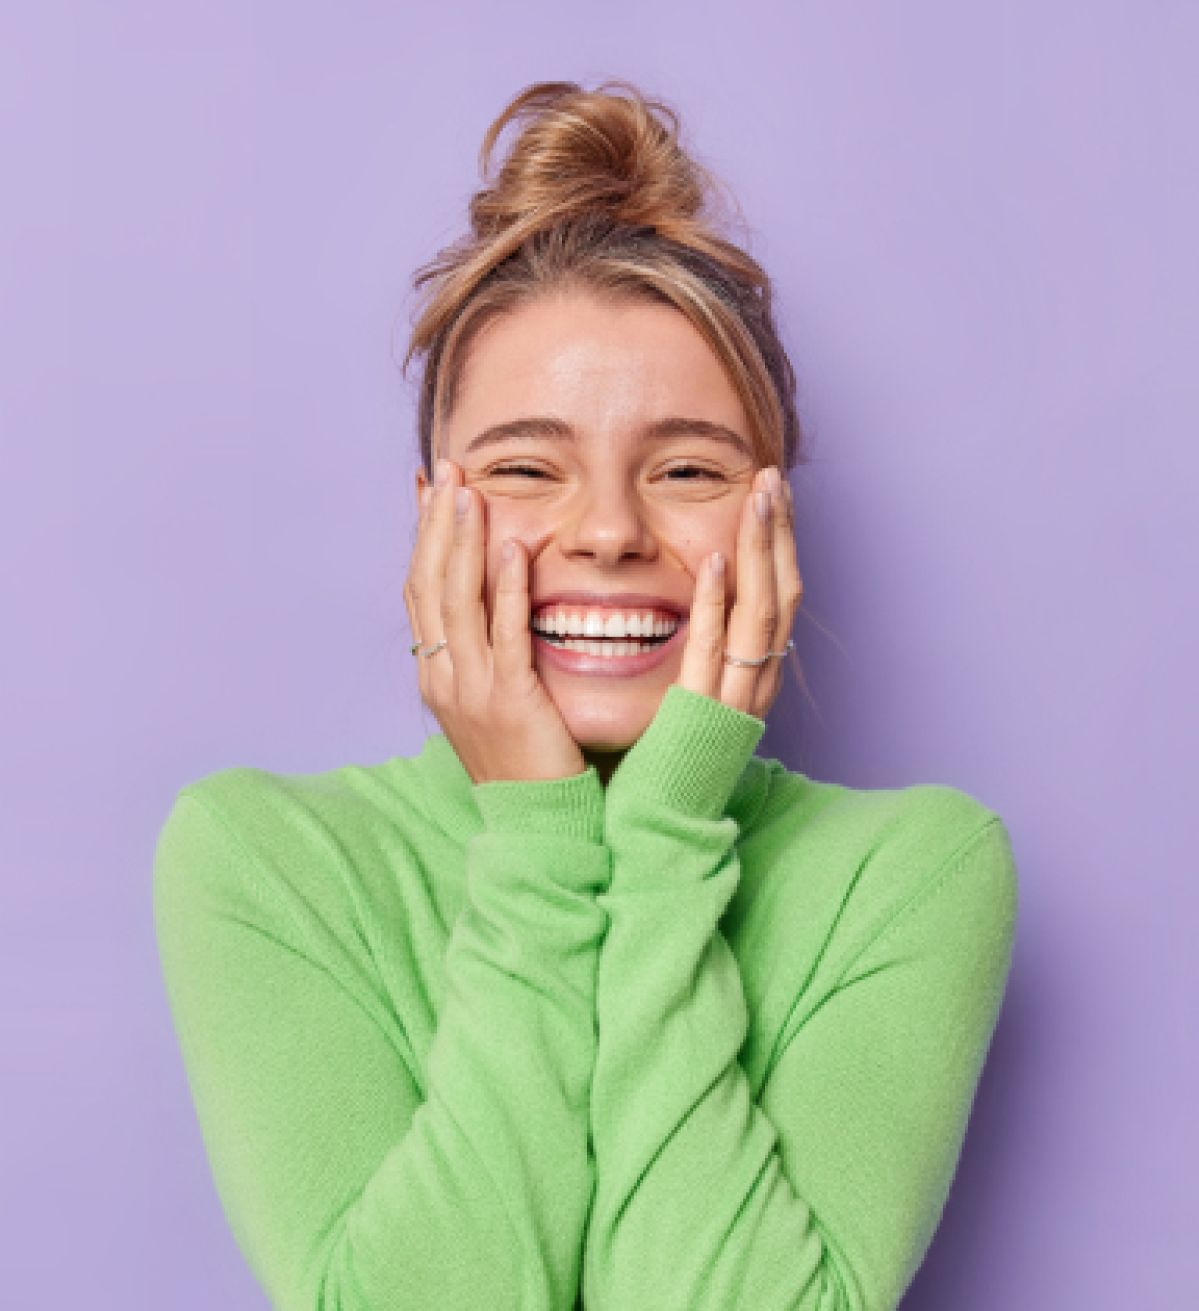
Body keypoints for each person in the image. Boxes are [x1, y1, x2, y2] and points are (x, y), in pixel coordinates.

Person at [154, 79, 1018, 1310]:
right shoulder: (268, 860)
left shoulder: (909, 875)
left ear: (773, 517)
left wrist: (662, 827)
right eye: (525, 467)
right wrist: (540, 844)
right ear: (429, 523)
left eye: (686, 470)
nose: (608, 531)